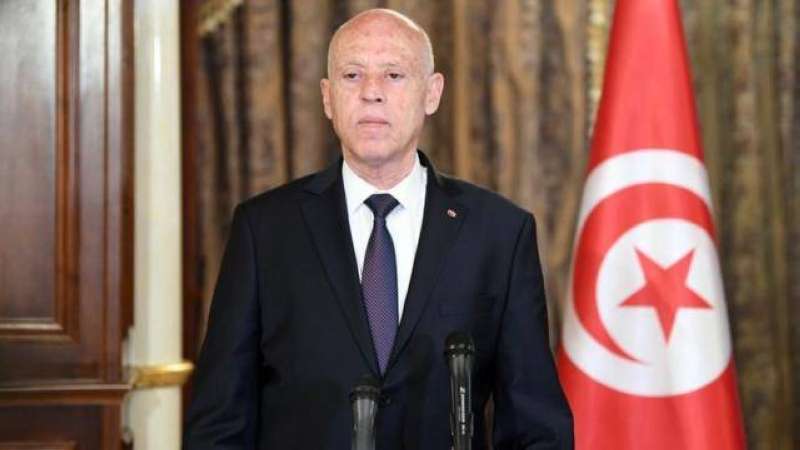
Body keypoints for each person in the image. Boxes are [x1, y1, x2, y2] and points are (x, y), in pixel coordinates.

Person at [183, 8, 573, 450]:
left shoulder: (499, 234)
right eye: (352, 75)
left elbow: (537, 429)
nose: (371, 92)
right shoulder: (264, 231)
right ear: (327, 98)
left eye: (393, 75)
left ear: (432, 93)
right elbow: (218, 426)